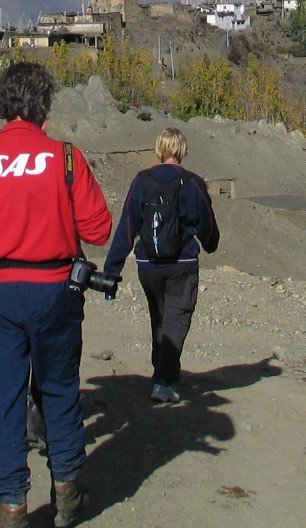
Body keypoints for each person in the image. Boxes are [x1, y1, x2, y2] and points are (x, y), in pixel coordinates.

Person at [0, 61, 111, 528]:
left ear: (3, 103)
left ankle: (12, 505)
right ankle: (69, 489)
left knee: (3, 398)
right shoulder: (67, 158)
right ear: (45, 106)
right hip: (57, 291)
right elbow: (98, 228)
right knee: (58, 387)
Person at [102, 127, 219, 405]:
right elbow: (206, 221)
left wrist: (111, 271)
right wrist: (211, 242)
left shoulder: (142, 181)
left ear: (159, 148)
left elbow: (127, 227)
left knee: (160, 318)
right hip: (182, 263)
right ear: (182, 150)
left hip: (148, 264)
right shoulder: (192, 182)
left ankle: (163, 371)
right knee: (177, 320)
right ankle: (163, 382)